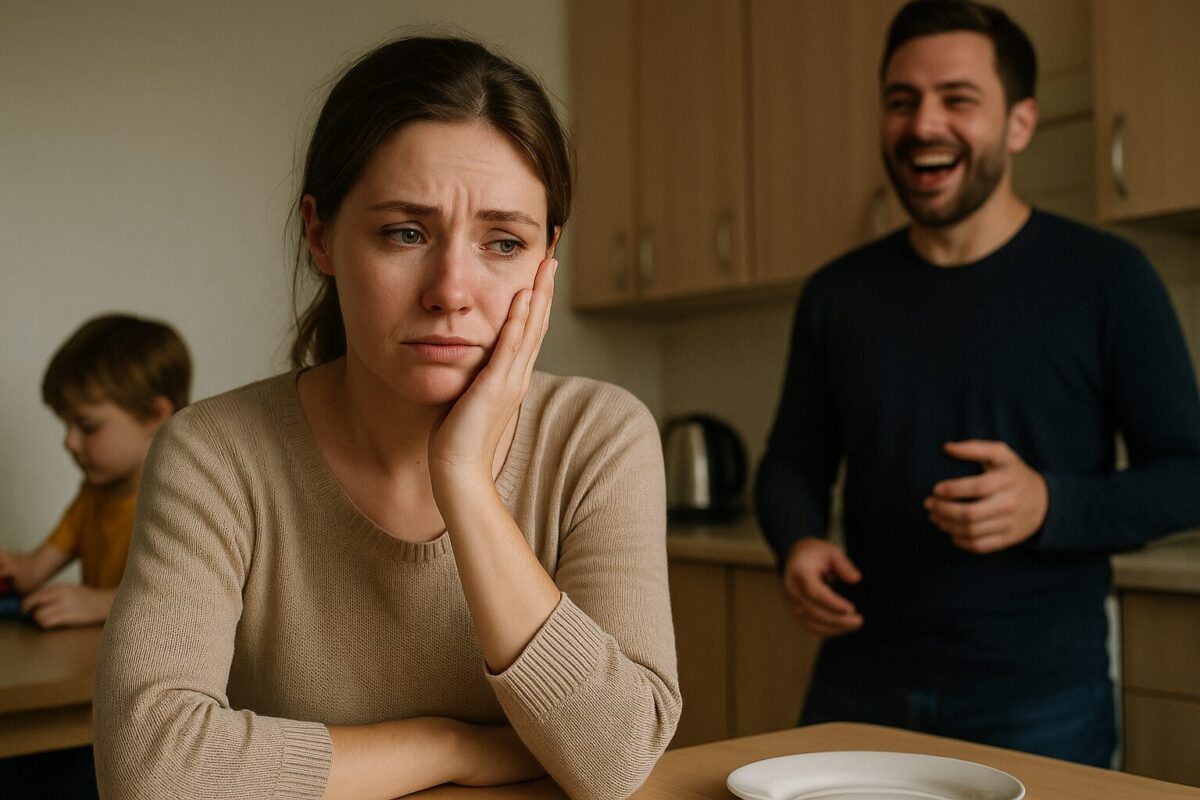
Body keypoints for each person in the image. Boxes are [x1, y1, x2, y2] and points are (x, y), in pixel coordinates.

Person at [93, 36, 680, 800]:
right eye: (406, 232)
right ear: (321, 234)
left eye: (504, 242)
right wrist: (450, 749)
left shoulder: (599, 437)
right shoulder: (216, 454)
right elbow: (150, 770)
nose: (451, 290)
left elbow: (616, 762)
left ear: (547, 259)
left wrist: (464, 483)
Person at [755, 0, 1200, 768]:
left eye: (958, 99)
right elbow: (791, 462)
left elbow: (1189, 475)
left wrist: (1050, 503)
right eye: (902, 101)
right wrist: (796, 542)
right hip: (859, 684)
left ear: (1020, 124)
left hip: (1041, 700)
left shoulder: (1108, 279)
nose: (924, 124)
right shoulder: (838, 294)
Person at [0, 313, 191, 629]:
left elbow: (182, 598)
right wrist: (14, 568)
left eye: (87, 426)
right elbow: (33, 570)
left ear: (155, 415)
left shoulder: (181, 500)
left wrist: (102, 602)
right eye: (67, 425)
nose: (69, 441)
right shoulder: (92, 496)